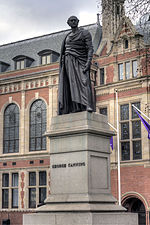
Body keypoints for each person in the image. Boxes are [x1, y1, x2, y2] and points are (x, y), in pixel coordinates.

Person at [58, 16, 94, 115]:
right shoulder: (67, 36)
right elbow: (64, 51)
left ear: (78, 22)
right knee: (71, 85)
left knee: (84, 82)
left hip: (81, 61)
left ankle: (87, 104)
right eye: (71, 21)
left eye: (75, 20)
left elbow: (90, 48)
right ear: (68, 23)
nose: (73, 22)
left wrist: (88, 63)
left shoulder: (85, 33)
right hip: (68, 62)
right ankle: (75, 107)